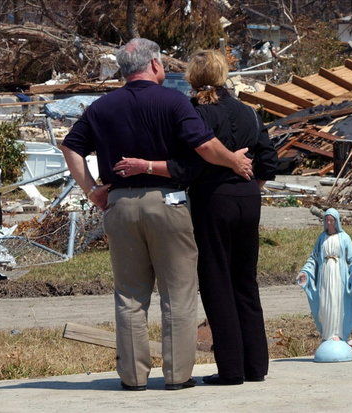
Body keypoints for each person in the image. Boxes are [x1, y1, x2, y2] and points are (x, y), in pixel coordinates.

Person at [61, 39, 253, 391]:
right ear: (153, 65)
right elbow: (205, 147)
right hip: (168, 202)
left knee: (130, 295)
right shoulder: (175, 101)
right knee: (177, 293)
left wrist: (92, 190)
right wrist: (234, 160)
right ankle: (177, 376)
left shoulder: (102, 106)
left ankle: (133, 377)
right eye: (162, 62)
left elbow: (70, 146)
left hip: (119, 205)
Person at [114, 49, 277, 385]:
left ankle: (231, 369)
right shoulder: (250, 112)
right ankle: (256, 365)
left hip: (213, 199)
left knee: (216, 281)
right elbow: (269, 160)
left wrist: (152, 167)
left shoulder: (193, 112)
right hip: (248, 197)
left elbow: (190, 163)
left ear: (191, 77)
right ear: (224, 74)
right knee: (246, 281)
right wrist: (248, 181)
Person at [297, 208, 352, 342]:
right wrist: (305, 271)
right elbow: (313, 258)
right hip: (325, 275)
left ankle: (338, 334)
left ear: (336, 221)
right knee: (325, 303)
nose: (329, 223)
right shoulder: (322, 238)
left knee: (337, 301)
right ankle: (327, 334)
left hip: (339, 275)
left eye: (331, 220)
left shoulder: (344, 238)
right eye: (326, 220)